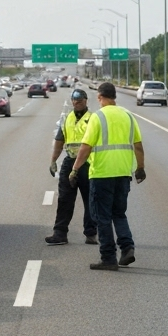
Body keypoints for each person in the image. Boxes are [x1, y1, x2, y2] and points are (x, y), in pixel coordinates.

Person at [70, 82, 145, 270]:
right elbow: (137, 145)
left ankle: (108, 258)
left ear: (99, 96)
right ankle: (127, 248)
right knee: (119, 213)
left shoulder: (97, 117)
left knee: (102, 217)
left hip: (102, 173)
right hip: (123, 173)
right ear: (115, 96)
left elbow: (86, 147)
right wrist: (140, 168)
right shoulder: (128, 115)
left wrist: (75, 169)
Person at [46, 89, 98, 245]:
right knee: (64, 200)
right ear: (72, 101)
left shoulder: (93, 118)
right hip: (69, 162)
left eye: (80, 99)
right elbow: (59, 142)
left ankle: (91, 234)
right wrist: (53, 160)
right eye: (74, 99)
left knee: (90, 200)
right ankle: (60, 234)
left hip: (88, 163)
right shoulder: (67, 119)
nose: (77, 102)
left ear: (86, 100)